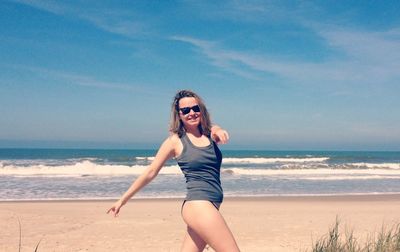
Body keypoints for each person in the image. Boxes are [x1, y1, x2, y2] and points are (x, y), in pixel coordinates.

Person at [107, 90, 240, 252]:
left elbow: (216, 129)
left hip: (211, 205)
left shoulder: (210, 135)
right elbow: (151, 171)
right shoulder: (175, 142)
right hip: (198, 205)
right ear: (179, 115)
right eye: (186, 110)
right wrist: (122, 200)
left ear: (201, 109)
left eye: (195, 108)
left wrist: (218, 129)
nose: (192, 113)